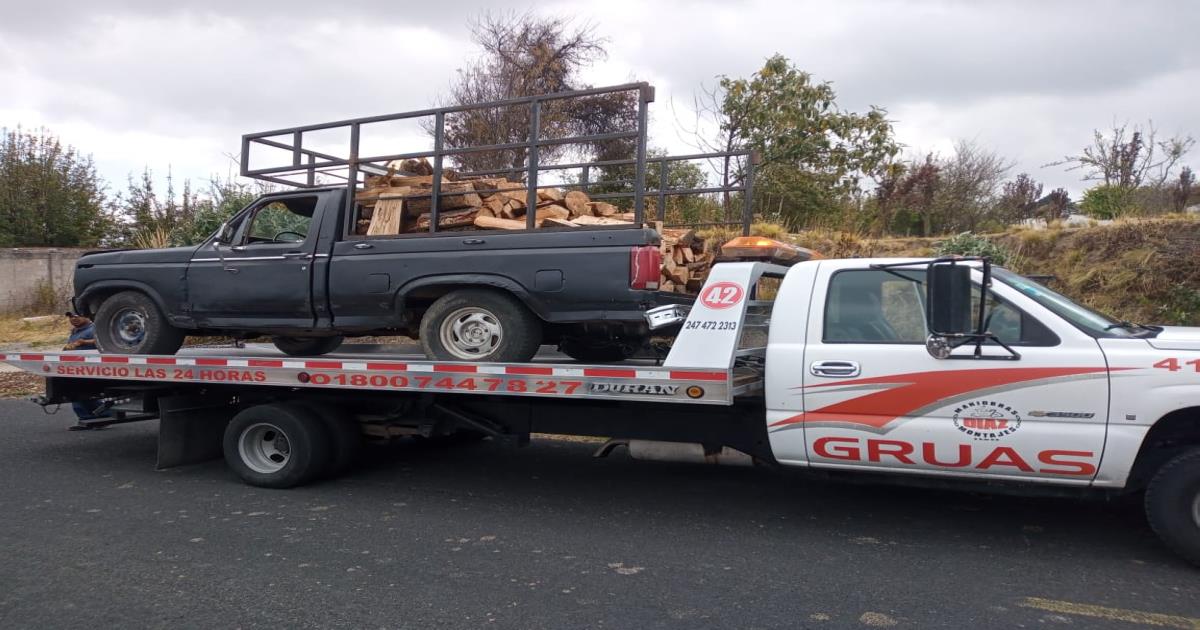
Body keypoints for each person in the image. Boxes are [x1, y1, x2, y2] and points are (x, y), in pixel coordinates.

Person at [62, 312, 111, 430]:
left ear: (87, 316)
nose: (74, 319)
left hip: (92, 368)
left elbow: (104, 340)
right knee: (78, 393)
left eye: (77, 316)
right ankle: (89, 419)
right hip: (77, 368)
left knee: (85, 393)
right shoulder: (75, 331)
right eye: (71, 317)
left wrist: (84, 342)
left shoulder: (94, 328)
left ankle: (100, 416)